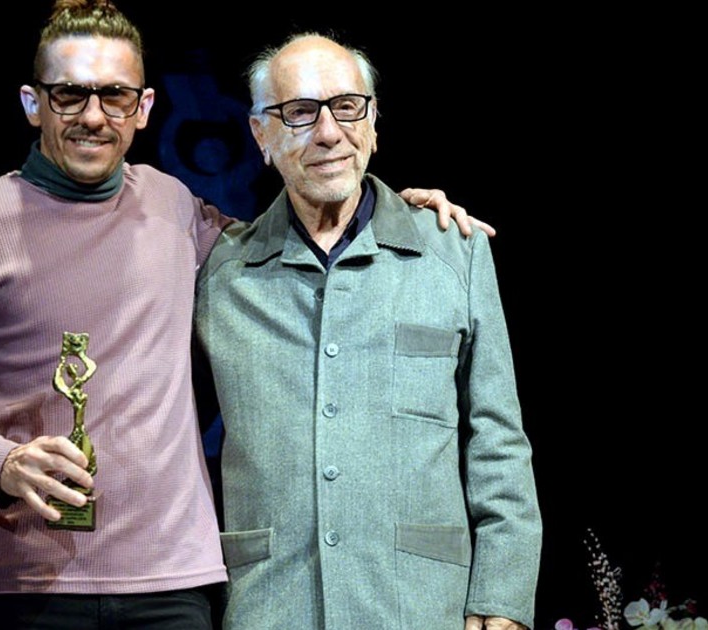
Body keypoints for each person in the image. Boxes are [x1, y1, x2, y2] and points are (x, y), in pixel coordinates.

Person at [0, 3, 471, 627]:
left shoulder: (174, 208)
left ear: (144, 108)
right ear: (33, 104)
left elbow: (292, 244)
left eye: (114, 96)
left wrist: (394, 213)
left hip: (175, 584)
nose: (93, 116)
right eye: (69, 95)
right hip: (25, 579)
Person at [193, 34, 542, 630]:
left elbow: (499, 441)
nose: (329, 132)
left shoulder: (453, 254)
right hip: (270, 606)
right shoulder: (221, 275)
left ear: (374, 122)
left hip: (420, 604)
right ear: (261, 136)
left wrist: (501, 595)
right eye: (300, 112)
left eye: (347, 107)